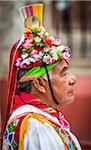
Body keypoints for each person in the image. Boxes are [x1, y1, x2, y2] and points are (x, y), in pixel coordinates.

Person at [2, 3, 82, 150]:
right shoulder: (35, 127)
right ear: (39, 83)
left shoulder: (38, 119)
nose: (73, 79)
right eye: (64, 73)